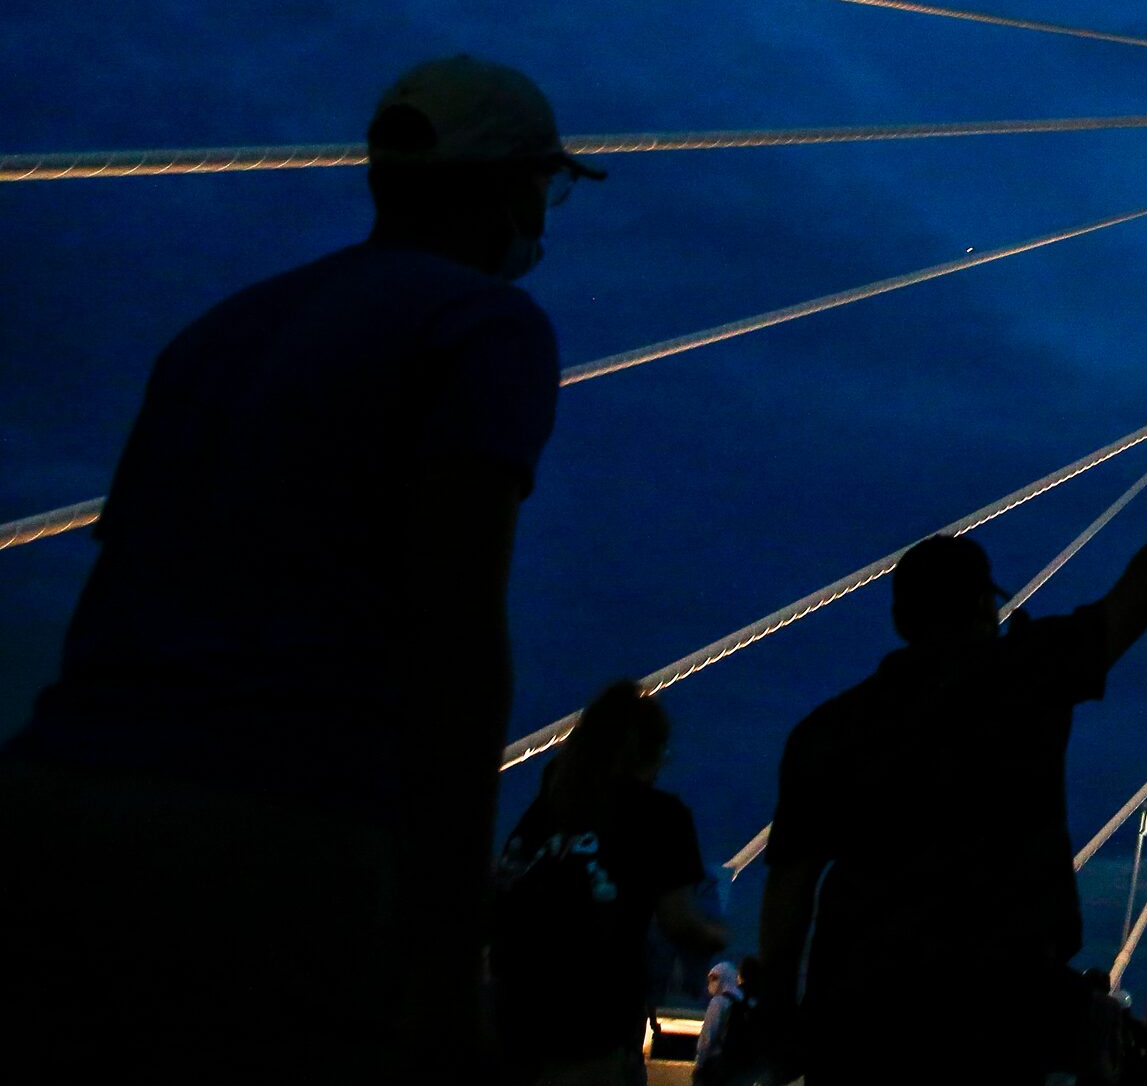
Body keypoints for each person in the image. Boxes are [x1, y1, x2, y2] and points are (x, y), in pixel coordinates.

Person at [0, 56, 594, 1083]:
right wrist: (447, 964)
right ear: (506, 183)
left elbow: (126, 568)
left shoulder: (216, 331)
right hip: (276, 823)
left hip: (56, 794)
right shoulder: (482, 325)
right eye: (544, 186)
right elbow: (454, 627)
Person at [760, 404, 1147, 1086]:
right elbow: (1141, 591)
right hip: (996, 1008)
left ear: (902, 617)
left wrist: (784, 1013)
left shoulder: (827, 729)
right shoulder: (1027, 675)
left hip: (860, 1008)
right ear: (985, 608)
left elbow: (789, 889)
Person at [493, 681, 726, 1082]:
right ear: (651, 752)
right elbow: (679, 922)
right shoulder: (659, 815)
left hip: (512, 1009)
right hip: (595, 1017)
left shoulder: (544, 808)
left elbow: (499, 893)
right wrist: (718, 935)